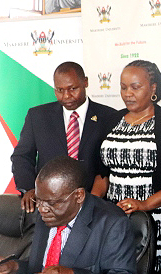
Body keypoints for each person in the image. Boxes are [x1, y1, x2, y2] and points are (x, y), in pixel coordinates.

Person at [0, 156, 137, 274]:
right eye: (38, 199)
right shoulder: (48, 211)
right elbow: (43, 270)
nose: (41, 209)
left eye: (50, 202)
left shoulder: (112, 223)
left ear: (79, 196)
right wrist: (15, 267)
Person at [92, 60, 161, 274]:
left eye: (135, 87)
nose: (127, 94)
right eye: (123, 87)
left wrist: (146, 204)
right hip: (113, 221)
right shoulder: (111, 120)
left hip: (157, 222)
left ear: (153, 88)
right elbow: (102, 173)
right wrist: (93, 207)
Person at [11, 61, 116, 213]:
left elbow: (109, 166)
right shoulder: (37, 116)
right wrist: (29, 188)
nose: (66, 96)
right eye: (60, 90)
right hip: (48, 205)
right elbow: (22, 156)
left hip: (94, 204)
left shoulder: (108, 116)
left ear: (85, 82)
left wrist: (94, 201)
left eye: (73, 89)